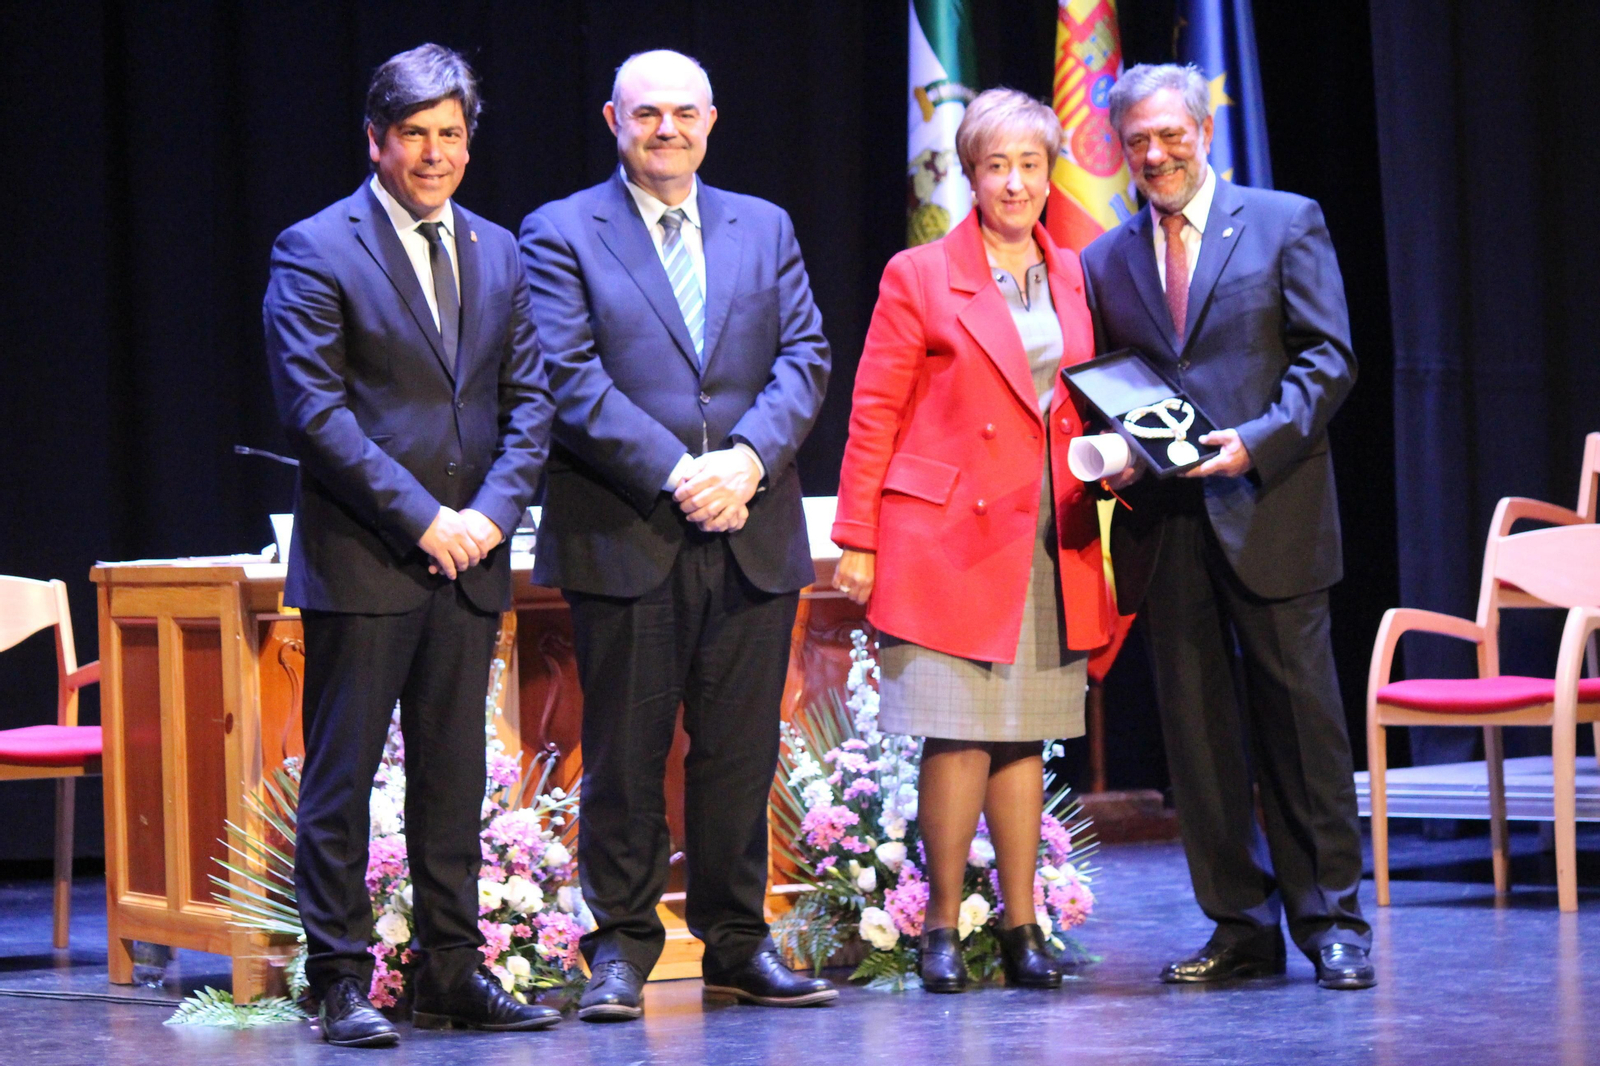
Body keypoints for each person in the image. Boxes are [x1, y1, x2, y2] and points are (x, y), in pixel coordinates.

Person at [519, 49, 834, 1021]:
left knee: (740, 755)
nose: (666, 129)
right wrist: (679, 471)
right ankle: (618, 949)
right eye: (646, 113)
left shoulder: (763, 224)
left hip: (751, 527)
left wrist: (743, 460)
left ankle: (739, 945)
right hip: (627, 532)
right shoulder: (560, 229)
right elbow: (567, 375)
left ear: (711, 119)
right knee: (622, 755)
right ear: (614, 118)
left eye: (683, 113)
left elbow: (804, 355)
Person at [263, 44, 557, 1046]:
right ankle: (339, 978)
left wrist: (488, 516)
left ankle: (450, 968)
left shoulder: (499, 249)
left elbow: (530, 402)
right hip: (368, 558)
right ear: (376, 141)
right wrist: (424, 518)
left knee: (453, 777)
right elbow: (316, 410)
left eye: (452, 136)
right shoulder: (314, 247)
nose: (435, 155)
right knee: (342, 779)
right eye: (416, 136)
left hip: (470, 560)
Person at [1079, 63, 1374, 990]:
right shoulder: (1104, 257)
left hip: (1272, 508)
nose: (1155, 154)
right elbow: (1112, 386)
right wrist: (1121, 448)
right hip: (1168, 527)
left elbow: (1330, 358)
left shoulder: (1286, 220)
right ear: (1121, 148)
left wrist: (1256, 442)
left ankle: (1332, 922)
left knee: (1302, 727)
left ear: (1203, 130)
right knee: (1198, 741)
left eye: (1171, 135)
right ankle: (1240, 928)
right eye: (1137, 142)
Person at [831, 88, 1114, 993]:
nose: (1017, 182)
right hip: (944, 535)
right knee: (954, 738)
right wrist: (857, 535)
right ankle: (942, 929)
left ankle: (1025, 929)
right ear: (971, 173)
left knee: (1026, 739)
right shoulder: (918, 273)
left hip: (1044, 531)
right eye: (998, 165)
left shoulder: (1072, 271)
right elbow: (874, 411)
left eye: (1032, 164)